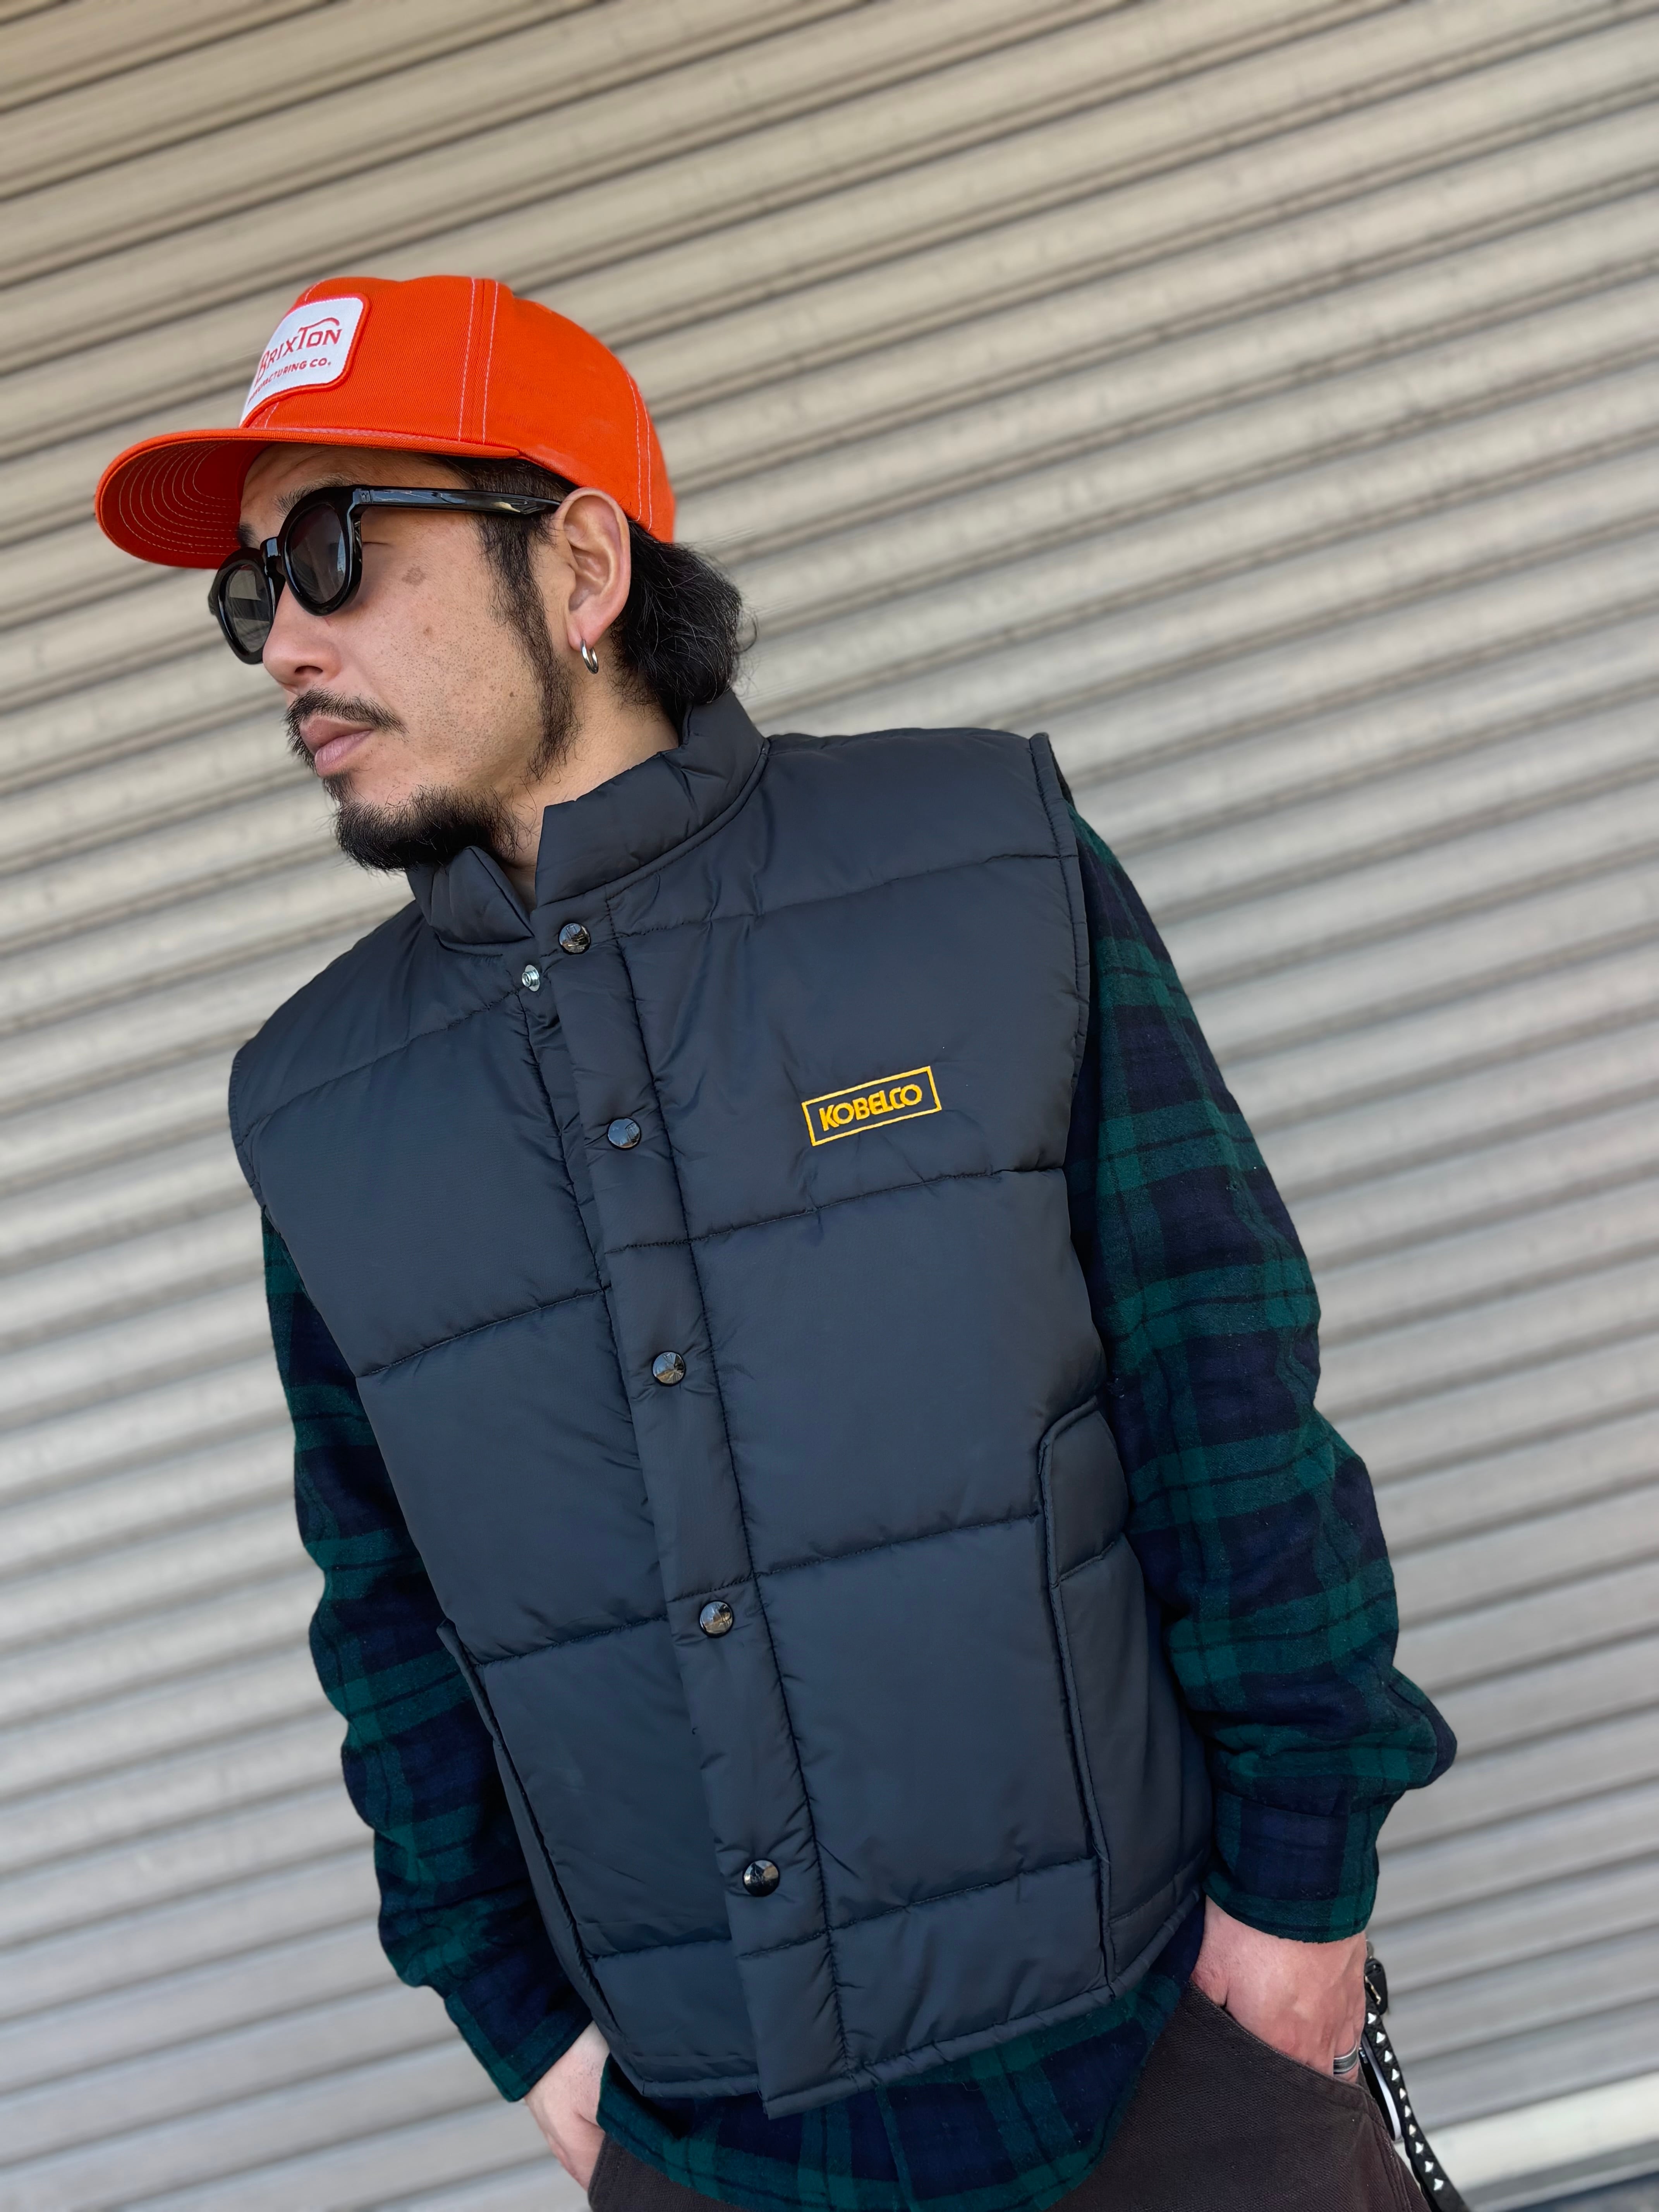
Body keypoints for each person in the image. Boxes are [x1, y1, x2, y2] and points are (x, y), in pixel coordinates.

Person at [97, 274, 1452, 2212]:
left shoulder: (984, 867)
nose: (284, 643)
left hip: (1166, 2053)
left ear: (580, 565)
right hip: (709, 2142)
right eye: (252, 597)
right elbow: (383, 1612)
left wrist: (1300, 1900)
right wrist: (522, 2029)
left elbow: (1226, 1388)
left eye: (332, 552)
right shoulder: (318, 1100)